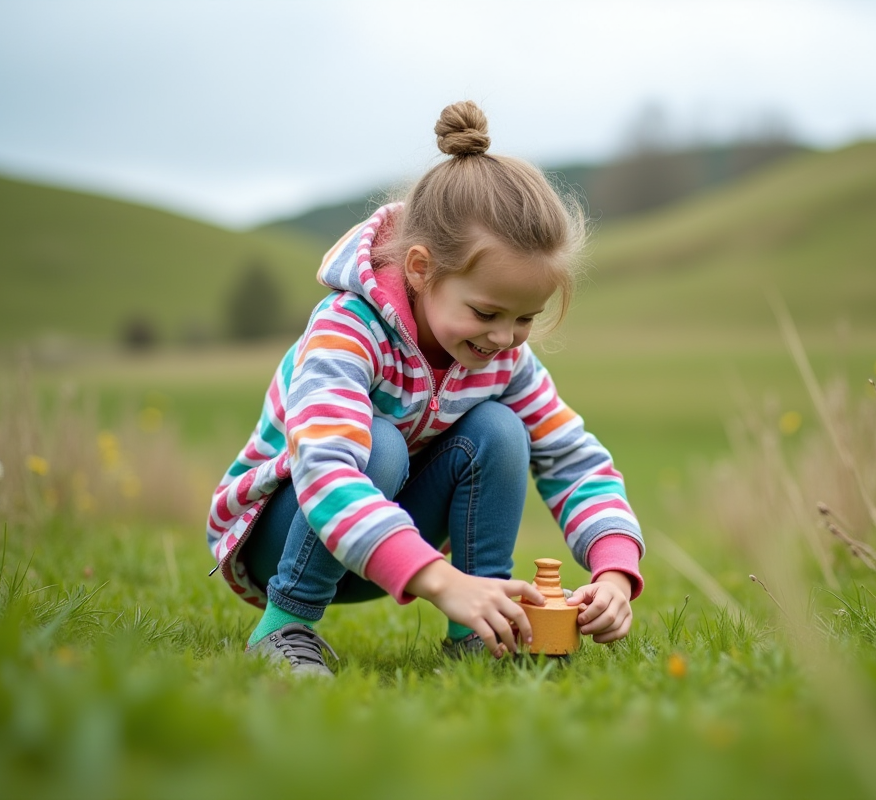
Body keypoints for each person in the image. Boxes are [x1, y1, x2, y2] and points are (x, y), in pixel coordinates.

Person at [206, 101, 644, 678]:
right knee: (378, 445)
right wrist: (440, 580)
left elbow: (572, 457)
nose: (504, 338)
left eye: (524, 318)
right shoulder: (346, 330)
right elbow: (325, 469)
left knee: (499, 430)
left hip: (391, 546)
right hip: (285, 537)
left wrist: (613, 570)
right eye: (487, 311)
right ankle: (283, 628)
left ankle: (481, 632)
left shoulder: (505, 358)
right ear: (419, 269)